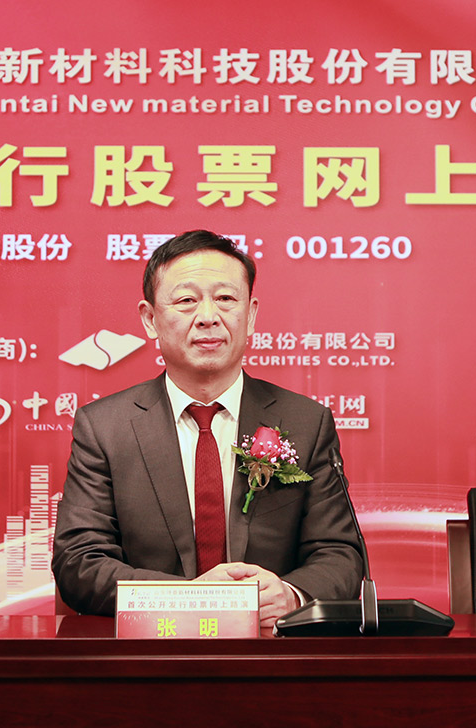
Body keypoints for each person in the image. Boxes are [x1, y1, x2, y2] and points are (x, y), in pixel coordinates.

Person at [52, 230, 362, 627]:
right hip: (150, 651)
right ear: (149, 319)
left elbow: (340, 554)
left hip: (272, 651)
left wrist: (290, 594)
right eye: (186, 300)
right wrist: (190, 598)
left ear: (251, 315)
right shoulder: (105, 427)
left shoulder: (305, 421)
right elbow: (78, 561)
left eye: (226, 299)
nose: (208, 317)